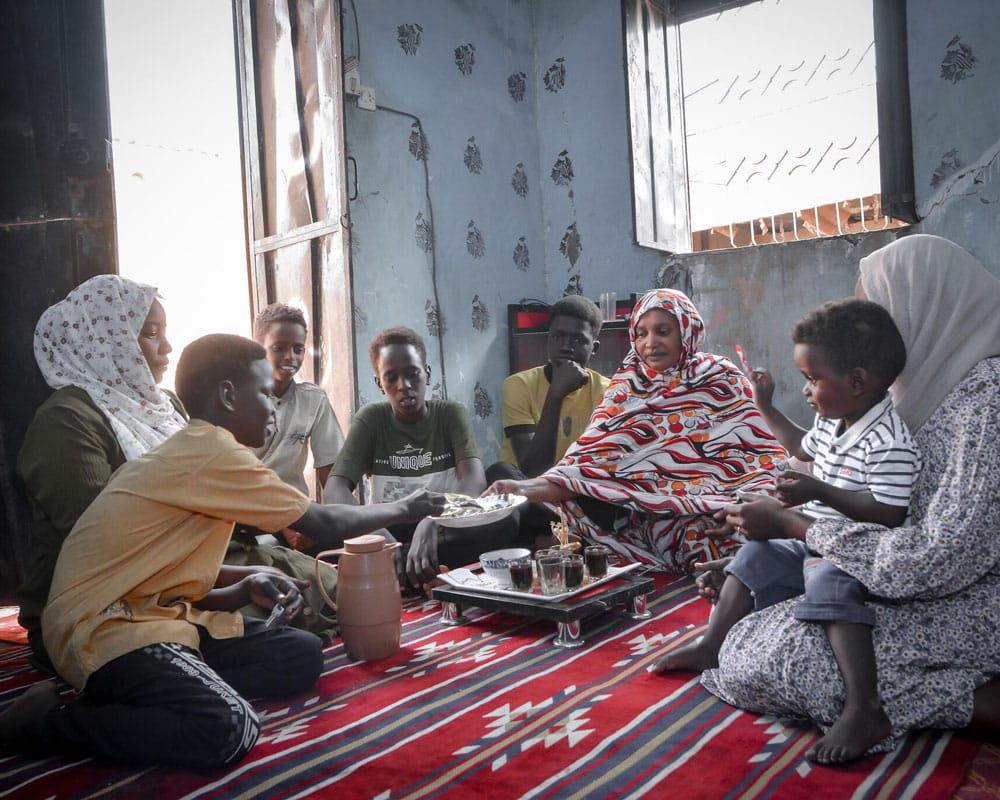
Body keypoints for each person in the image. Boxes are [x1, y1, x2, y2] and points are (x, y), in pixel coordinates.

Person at [0, 333, 444, 767]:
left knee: (301, 654)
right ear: (229, 395)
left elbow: (163, 576)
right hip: (103, 625)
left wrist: (243, 584)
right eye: (267, 394)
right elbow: (320, 521)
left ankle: (155, 686)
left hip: (155, 616)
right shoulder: (211, 452)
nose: (274, 407)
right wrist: (404, 507)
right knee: (230, 727)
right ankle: (46, 724)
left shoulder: (208, 450)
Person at [686, 235, 1000, 765]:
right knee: (756, 631)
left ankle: (975, 701)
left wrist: (798, 529)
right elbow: (839, 479)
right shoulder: (918, 390)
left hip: (967, 597)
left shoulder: (985, 403)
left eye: (878, 312)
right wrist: (773, 537)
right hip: (893, 577)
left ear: (921, 307)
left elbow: (939, 560)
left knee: (798, 657)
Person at [651, 298, 921, 765]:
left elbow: (887, 514)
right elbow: (800, 445)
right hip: (812, 537)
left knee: (828, 580)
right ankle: (713, 644)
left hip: (854, 551)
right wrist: (765, 405)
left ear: (856, 382)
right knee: (755, 553)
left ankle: (864, 706)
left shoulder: (889, 442)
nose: (809, 392)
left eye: (813, 381)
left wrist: (819, 490)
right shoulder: (835, 422)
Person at [488, 289, 785, 573]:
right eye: (641, 333)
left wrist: (734, 508)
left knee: (748, 546)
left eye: (663, 331)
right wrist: (520, 489)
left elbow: (762, 459)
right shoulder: (626, 390)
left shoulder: (722, 379)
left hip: (727, 508)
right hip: (650, 516)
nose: (650, 343)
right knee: (698, 546)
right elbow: (585, 471)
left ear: (687, 331)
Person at [325, 326, 523, 588]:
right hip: (392, 530)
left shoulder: (450, 414)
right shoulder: (372, 419)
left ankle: (408, 570)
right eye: (391, 378)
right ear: (378, 383)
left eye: (412, 374)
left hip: (444, 528)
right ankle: (417, 566)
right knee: (321, 529)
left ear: (427, 374)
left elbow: (474, 481)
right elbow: (334, 489)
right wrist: (377, 536)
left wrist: (434, 521)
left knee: (506, 506)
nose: (403, 386)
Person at [236, 303, 344, 555]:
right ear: (258, 348)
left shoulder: (313, 400)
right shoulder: (236, 400)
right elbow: (239, 480)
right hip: (246, 514)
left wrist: (326, 521)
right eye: (279, 348)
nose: (290, 357)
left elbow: (330, 472)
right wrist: (285, 523)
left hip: (297, 514)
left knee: (354, 545)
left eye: (298, 349)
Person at [492, 294, 609, 479]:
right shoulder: (518, 385)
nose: (565, 347)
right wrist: (556, 393)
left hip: (576, 487)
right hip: (527, 491)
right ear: (548, 340)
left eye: (577, 340)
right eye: (557, 337)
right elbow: (533, 469)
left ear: (594, 348)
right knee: (500, 471)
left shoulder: (608, 392)